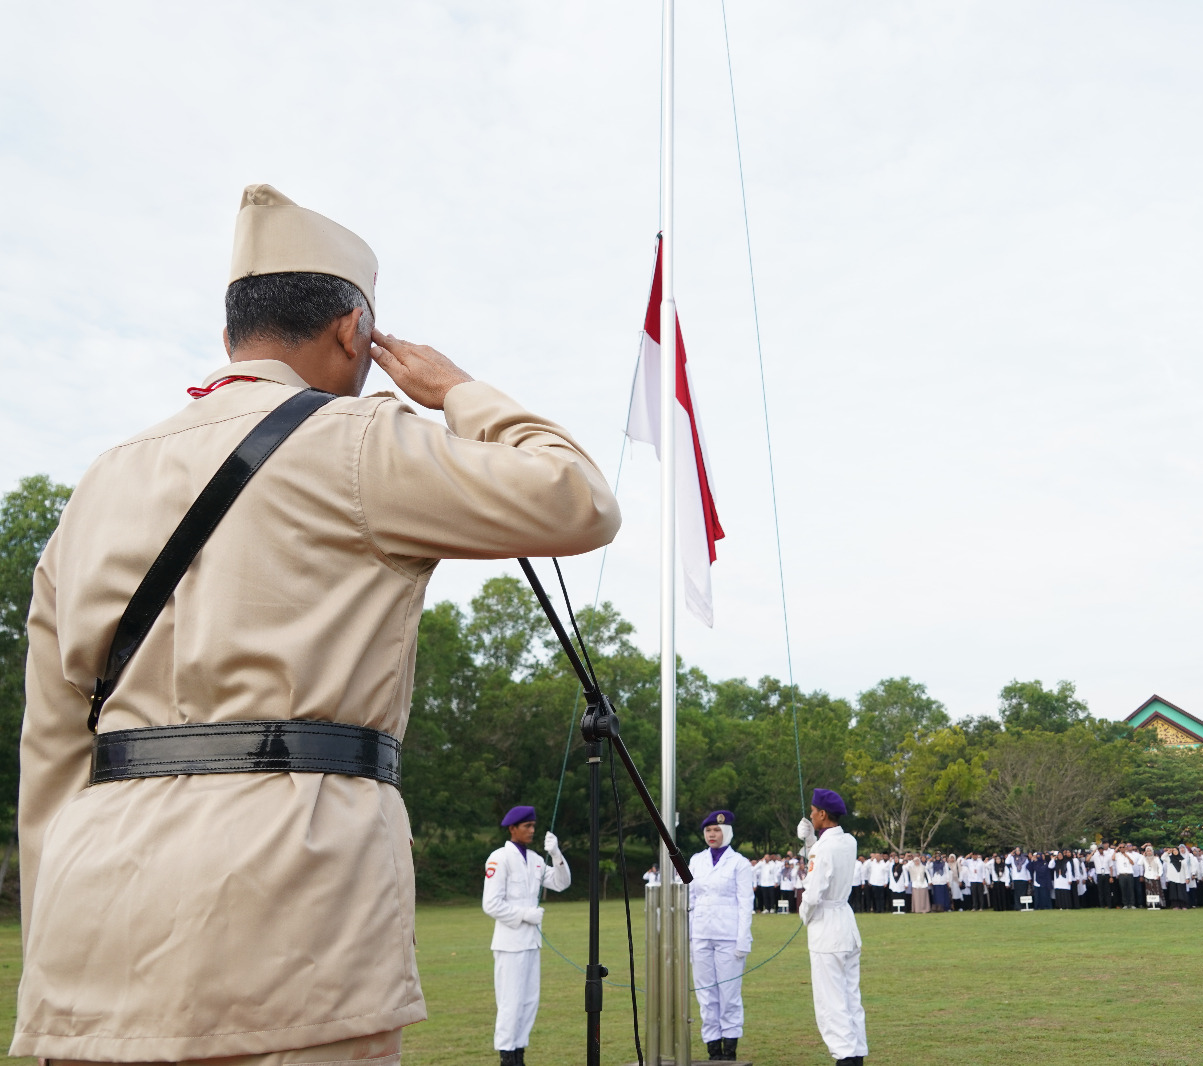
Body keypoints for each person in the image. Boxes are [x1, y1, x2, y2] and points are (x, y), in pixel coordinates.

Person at [9, 185, 620, 1066]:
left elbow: (53, 745)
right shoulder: (363, 440)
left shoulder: (99, 483)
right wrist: (459, 392)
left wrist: (55, 939)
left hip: (94, 915)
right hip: (292, 906)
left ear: (230, 337)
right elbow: (580, 500)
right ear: (352, 332)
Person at [483, 806, 572, 1066]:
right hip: (510, 943)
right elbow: (491, 904)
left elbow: (561, 882)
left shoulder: (534, 859)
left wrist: (556, 854)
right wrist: (524, 914)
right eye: (527, 826)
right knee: (510, 1003)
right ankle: (507, 1056)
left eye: (533, 826)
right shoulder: (499, 858)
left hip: (531, 942)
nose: (532, 830)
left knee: (529, 1002)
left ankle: (519, 1053)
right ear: (513, 829)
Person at [797, 789, 869, 1066]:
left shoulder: (824, 848)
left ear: (823, 814)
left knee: (831, 1003)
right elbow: (828, 856)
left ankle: (845, 1058)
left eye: (814, 811)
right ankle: (856, 1055)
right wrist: (811, 840)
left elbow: (813, 893)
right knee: (851, 999)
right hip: (845, 923)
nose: (811, 815)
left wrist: (804, 914)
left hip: (827, 927)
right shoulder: (848, 841)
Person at [688, 810, 755, 1062]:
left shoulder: (739, 863)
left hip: (729, 936)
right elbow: (690, 899)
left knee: (728, 994)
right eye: (708, 831)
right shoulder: (696, 861)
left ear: (726, 832)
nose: (711, 835)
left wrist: (743, 939)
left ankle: (730, 1048)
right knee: (706, 993)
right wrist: (689, 937)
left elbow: (745, 903)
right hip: (701, 934)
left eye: (716, 830)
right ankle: (712, 1048)